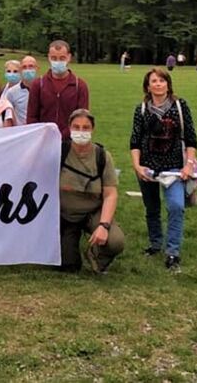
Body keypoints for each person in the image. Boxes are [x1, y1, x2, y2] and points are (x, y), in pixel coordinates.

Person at [129, 68, 197, 272]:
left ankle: (173, 252)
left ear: (168, 84)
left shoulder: (180, 106)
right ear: (147, 86)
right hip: (148, 167)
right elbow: (135, 141)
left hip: (174, 168)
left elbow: (191, 138)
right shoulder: (142, 110)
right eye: (154, 81)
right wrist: (137, 166)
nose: (158, 84)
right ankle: (155, 244)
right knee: (151, 208)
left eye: (162, 80)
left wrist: (189, 164)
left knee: (176, 206)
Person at [59, 109, 124, 274]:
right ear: (69, 128)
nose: (81, 132)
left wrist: (104, 225)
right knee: (68, 265)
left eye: (86, 128)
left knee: (115, 241)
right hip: (65, 215)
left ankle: (96, 255)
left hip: (92, 212)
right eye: (76, 127)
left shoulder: (102, 156)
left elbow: (110, 194)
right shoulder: (59, 152)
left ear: (92, 129)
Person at [26, 40, 89, 140]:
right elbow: (31, 117)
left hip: (70, 141)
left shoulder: (79, 85)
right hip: (43, 140)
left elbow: (82, 118)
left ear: (69, 57)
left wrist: (62, 136)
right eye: (54, 58)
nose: (58, 62)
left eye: (62, 58)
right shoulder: (38, 84)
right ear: (49, 57)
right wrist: (41, 134)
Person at [0, 59, 29, 126]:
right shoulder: (2, 90)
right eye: (8, 71)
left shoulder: (25, 90)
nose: (11, 74)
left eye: (15, 71)